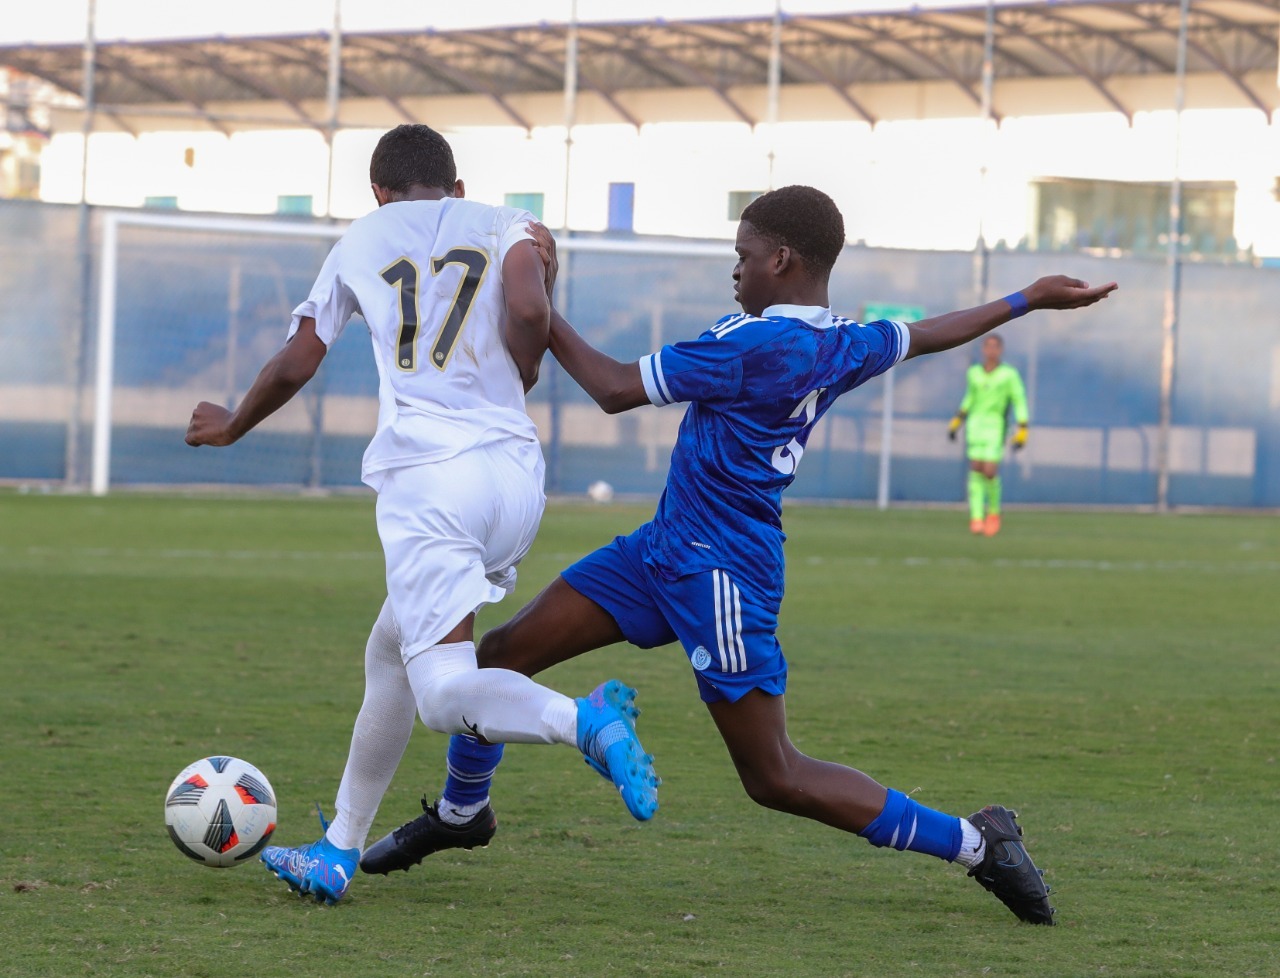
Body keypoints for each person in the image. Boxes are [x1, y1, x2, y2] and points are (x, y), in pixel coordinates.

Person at [363, 184, 1115, 924]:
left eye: (743, 255)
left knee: (774, 775)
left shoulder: (753, 342)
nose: (735, 269)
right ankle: (465, 814)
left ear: (782, 259)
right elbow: (926, 334)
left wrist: (533, 306)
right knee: (500, 655)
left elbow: (615, 388)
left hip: (719, 574)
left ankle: (978, 843)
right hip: (661, 550)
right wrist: (1026, 298)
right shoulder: (842, 340)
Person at [184, 124, 658, 905]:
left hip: (432, 481)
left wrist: (233, 423)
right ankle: (339, 847)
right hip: (515, 479)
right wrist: (527, 366)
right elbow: (532, 310)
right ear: (458, 186)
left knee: (442, 691)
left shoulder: (361, 238)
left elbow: (302, 356)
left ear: (378, 191)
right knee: (391, 647)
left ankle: (586, 719)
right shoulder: (508, 222)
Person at [947, 333, 1029, 536]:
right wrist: (957, 421)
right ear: (983, 350)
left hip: (995, 426)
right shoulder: (974, 373)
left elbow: (1019, 400)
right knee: (975, 468)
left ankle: (993, 512)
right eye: (988, 346)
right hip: (975, 424)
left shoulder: (1009, 375)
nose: (991, 350)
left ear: (1000, 350)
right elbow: (970, 398)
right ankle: (976, 516)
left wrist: (1022, 429)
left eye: (995, 347)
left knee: (990, 470)